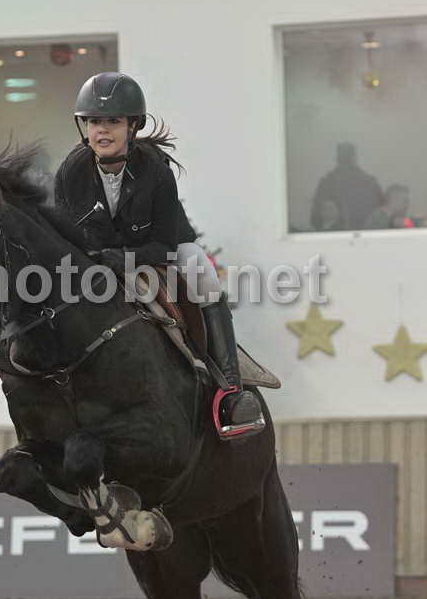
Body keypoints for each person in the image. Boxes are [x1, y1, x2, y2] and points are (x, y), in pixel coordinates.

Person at [54, 72, 265, 439]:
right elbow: (64, 238)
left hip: (160, 248)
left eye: (113, 121)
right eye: (93, 121)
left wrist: (124, 260)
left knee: (201, 272)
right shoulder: (70, 173)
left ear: (132, 126)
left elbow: (164, 246)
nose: (102, 130)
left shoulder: (156, 171)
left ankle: (231, 391)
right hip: (97, 259)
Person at [310, 142, 383, 231]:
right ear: (354, 158)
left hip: (337, 235)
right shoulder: (370, 182)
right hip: (365, 235)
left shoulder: (326, 183)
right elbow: (383, 214)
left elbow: (315, 219)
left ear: (337, 158)